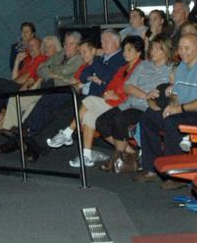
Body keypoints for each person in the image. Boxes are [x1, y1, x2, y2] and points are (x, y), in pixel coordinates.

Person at [134, 30, 197, 183]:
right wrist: (171, 106)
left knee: (172, 122)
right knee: (149, 117)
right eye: (181, 48)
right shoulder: (183, 66)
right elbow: (176, 94)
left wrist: (179, 109)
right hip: (185, 109)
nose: (183, 52)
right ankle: (151, 168)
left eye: (187, 48)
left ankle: (175, 174)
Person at [59, 35, 146, 168]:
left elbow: (135, 91)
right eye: (124, 50)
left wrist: (117, 97)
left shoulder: (142, 67)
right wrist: (108, 93)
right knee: (89, 116)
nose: (125, 53)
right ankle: (87, 156)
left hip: (125, 104)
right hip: (112, 101)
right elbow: (110, 84)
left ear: (138, 52)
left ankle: (68, 132)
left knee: (89, 100)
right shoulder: (123, 68)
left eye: (129, 50)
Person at [97, 35, 173, 173]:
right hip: (129, 103)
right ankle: (130, 154)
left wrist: (147, 97)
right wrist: (145, 94)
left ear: (166, 51)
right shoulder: (144, 65)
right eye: (152, 48)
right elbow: (127, 86)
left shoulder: (170, 69)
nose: (152, 52)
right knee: (101, 122)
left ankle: (117, 158)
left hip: (146, 107)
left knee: (119, 121)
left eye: (158, 49)